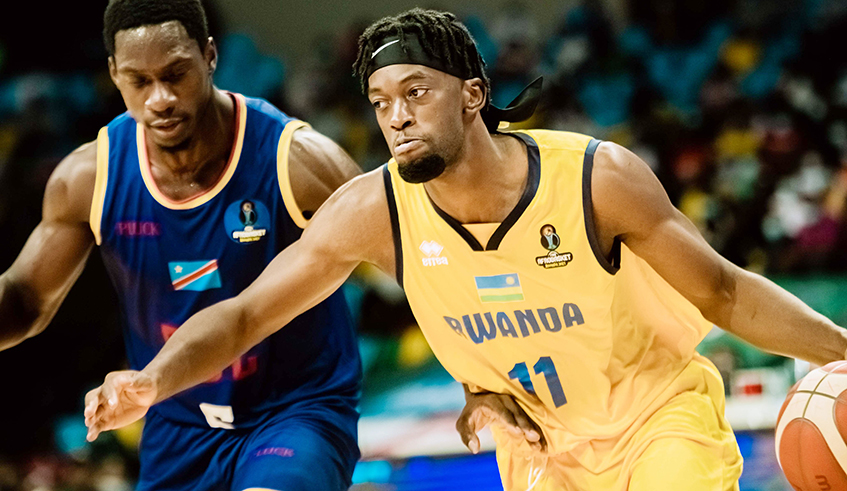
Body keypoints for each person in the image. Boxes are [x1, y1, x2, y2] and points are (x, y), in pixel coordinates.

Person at [84, 8, 847, 491]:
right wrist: (153, 381)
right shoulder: (372, 210)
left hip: (658, 425)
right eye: (381, 103)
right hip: (541, 451)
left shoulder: (593, 179)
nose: (396, 117)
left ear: (472, 94)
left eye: (415, 92)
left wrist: (841, 349)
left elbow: (725, 291)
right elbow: (246, 314)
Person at [0, 1, 364, 490]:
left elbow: (410, 254)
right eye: (139, 81)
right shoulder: (89, 177)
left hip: (294, 412)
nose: (160, 99)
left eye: (176, 74)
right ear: (113, 74)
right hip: (177, 425)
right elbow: (24, 301)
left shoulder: (297, 160)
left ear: (210, 56)